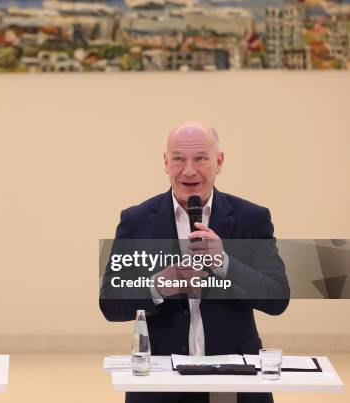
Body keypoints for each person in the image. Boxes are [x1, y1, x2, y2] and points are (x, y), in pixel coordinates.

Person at [99, 122, 290, 403]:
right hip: (160, 384)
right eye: (178, 159)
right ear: (165, 163)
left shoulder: (251, 218)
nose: (188, 170)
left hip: (234, 379)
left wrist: (225, 263)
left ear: (219, 162)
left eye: (200, 158)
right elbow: (111, 303)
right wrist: (159, 285)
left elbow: (277, 298)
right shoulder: (136, 220)